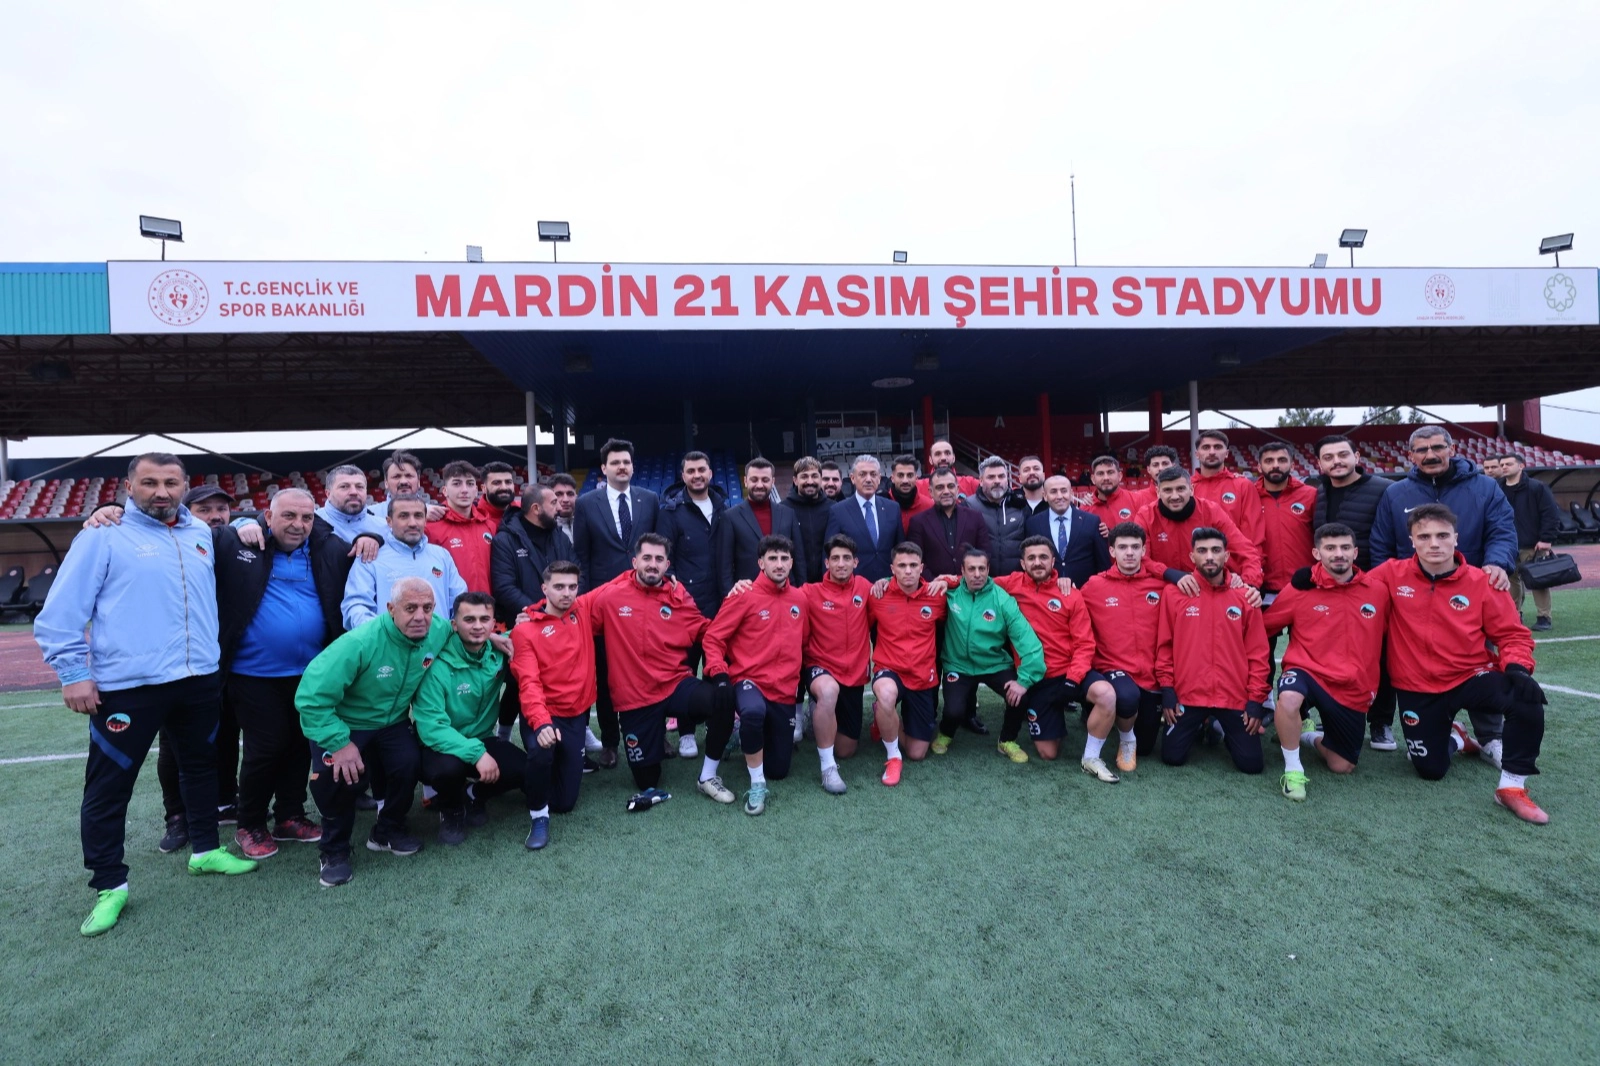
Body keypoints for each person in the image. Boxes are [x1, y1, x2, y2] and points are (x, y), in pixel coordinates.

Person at [36, 453, 260, 936]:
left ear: (185, 487)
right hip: (128, 687)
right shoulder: (102, 534)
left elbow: (245, 529)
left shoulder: (200, 533)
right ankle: (110, 884)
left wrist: (244, 520)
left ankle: (205, 851)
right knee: (109, 784)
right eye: (150, 482)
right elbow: (60, 612)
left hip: (198, 678)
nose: (162, 491)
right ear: (128, 486)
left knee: (201, 768)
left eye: (171, 482)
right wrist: (74, 673)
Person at [1367, 504, 1548, 823]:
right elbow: (1350, 593)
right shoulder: (1390, 574)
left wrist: (1518, 668)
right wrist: (1306, 581)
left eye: (1441, 535)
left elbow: (1512, 634)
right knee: (1430, 771)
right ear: (1412, 540)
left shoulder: (1483, 581)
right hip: (1416, 685)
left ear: (1456, 538)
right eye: (1424, 536)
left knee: (1526, 697)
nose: (1433, 543)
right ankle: (1456, 737)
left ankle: (1511, 788)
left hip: (1470, 676)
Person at [214, 488, 353, 859]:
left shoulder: (325, 550)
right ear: (268, 516)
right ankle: (250, 822)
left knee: (299, 745)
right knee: (266, 746)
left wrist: (369, 537)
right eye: (289, 516)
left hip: (310, 672)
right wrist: (241, 524)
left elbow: (365, 539)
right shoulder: (244, 544)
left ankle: (289, 815)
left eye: (307, 518)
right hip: (252, 672)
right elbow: (210, 531)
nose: (298, 525)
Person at [296, 577, 448, 886]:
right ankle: (334, 850)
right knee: (337, 778)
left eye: (427, 608)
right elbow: (311, 698)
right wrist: (340, 743)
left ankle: (386, 830)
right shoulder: (360, 642)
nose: (420, 616)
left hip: (391, 722)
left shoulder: (438, 630)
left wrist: (500, 639)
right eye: (410, 608)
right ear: (391, 609)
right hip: (345, 722)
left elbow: (465, 633)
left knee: (408, 765)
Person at [588, 533, 738, 806]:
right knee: (647, 781)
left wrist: (739, 615)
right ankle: (653, 735)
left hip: (674, 684)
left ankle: (707, 776)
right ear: (635, 561)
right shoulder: (610, 596)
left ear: (667, 565)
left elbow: (706, 631)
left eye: (659, 559)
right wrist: (533, 614)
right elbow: (573, 612)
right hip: (636, 698)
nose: (652, 565)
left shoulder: (678, 596)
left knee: (723, 699)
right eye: (647, 558)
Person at [1261, 523, 1388, 801]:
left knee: (1341, 766)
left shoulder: (1378, 591)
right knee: (1290, 698)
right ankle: (1293, 770)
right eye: (1330, 548)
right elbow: (1263, 627)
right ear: (1316, 553)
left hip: (1352, 686)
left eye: (1344, 548)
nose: (1338, 554)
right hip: (1306, 671)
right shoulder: (1299, 590)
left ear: (1355, 552)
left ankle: (1306, 735)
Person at [413, 592, 550, 847]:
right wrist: (476, 754)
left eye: (484, 619)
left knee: (525, 769)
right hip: (439, 745)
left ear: (493, 623)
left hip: (481, 739)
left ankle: (473, 794)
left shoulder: (498, 650)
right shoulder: (435, 665)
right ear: (454, 625)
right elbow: (432, 727)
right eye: (469, 619)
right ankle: (451, 811)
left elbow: (535, 632)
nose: (477, 626)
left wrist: (531, 618)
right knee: (448, 769)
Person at [703, 535, 808, 816]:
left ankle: (742, 737)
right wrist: (719, 672)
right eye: (772, 558)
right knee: (752, 712)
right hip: (749, 681)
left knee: (779, 770)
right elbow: (713, 638)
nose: (779, 564)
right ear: (760, 563)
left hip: (784, 689)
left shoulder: (799, 599)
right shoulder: (743, 594)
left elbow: (805, 641)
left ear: (791, 563)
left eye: (784, 558)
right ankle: (757, 783)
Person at [572, 439, 660, 768]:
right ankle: (610, 741)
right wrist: (585, 599)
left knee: (649, 670)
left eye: (626, 462)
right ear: (604, 468)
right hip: (605, 603)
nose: (622, 467)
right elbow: (581, 553)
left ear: (633, 466)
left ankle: (655, 733)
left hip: (645, 601)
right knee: (607, 673)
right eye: (615, 462)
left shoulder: (649, 500)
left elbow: (659, 549)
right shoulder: (587, 503)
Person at [1155, 527, 1271, 774]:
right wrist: (1168, 689)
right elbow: (1165, 646)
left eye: (1216, 550)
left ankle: (1221, 728)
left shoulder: (1244, 597)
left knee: (1252, 766)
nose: (1209, 556)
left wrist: (1255, 701)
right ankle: (1200, 724)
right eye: (1202, 551)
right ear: (1192, 557)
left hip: (1232, 696)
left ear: (1226, 556)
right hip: (1189, 695)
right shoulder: (1174, 594)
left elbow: (1258, 654)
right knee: (1172, 757)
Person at [1310, 433, 1399, 750]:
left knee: (1380, 654)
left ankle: (1380, 722)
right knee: (1329, 651)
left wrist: (1379, 582)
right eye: (1329, 457)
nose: (1337, 461)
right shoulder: (1318, 492)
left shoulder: (1385, 490)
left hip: (1371, 586)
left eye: (1342, 455)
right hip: (1328, 588)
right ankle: (1331, 713)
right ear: (1319, 463)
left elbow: (1391, 541)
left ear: (1357, 456)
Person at [993, 537, 1105, 776]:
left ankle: (1093, 754)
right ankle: (1052, 721)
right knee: (1048, 753)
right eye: (1031, 558)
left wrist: (1072, 679)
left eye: (1043, 557)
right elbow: (976, 581)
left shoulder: (1070, 593)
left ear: (1053, 561)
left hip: (1068, 673)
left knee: (1106, 695)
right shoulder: (1011, 584)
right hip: (1037, 679)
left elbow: (1085, 644)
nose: (1037, 562)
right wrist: (946, 581)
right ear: (1022, 563)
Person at [1081, 522, 1181, 770]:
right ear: (1112, 551)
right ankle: (1126, 739)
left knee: (1147, 748)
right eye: (1122, 547)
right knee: (1126, 697)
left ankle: (1129, 728)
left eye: (1135, 547)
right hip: (1113, 668)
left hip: (1151, 674)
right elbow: (1070, 610)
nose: (1129, 553)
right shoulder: (1094, 586)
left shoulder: (1161, 587)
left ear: (1144, 551)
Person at [929, 548, 1045, 756]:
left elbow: (1027, 640)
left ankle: (1007, 740)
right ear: (962, 571)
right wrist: (884, 582)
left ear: (988, 569)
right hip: (958, 665)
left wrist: (1024, 680)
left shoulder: (1002, 599)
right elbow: (912, 587)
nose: (977, 574)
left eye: (982, 568)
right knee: (953, 711)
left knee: (1020, 697)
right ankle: (946, 733)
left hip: (994, 664)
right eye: (971, 569)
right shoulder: (949, 592)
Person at [1369, 426, 1517, 587]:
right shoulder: (1394, 494)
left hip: (1472, 585)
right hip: (1411, 591)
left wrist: (1497, 562)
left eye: (1438, 448)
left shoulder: (1486, 488)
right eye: (1422, 450)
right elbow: (1381, 544)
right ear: (1411, 456)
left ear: (1451, 449)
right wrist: (1386, 582)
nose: (1430, 455)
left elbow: (1502, 532)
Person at [511, 560, 600, 819]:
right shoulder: (525, 629)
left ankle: (543, 771)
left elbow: (615, 585)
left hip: (575, 718)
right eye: (559, 586)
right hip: (545, 714)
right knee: (541, 751)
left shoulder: (581, 609)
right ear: (544, 588)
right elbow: (528, 683)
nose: (567, 593)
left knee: (564, 802)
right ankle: (519, 774)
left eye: (572, 586)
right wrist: (541, 723)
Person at [800, 535, 876, 793]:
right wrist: (743, 585)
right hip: (820, 667)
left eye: (846, 558)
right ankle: (827, 768)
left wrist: (947, 580)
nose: (841, 563)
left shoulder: (866, 588)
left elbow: (897, 587)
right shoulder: (811, 593)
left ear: (856, 562)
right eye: (835, 558)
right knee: (829, 692)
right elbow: (776, 593)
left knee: (846, 750)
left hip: (854, 675)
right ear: (826, 563)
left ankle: (816, 717)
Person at [867, 542, 948, 770]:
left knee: (917, 753)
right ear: (892, 568)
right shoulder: (877, 595)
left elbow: (970, 583)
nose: (908, 571)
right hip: (889, 669)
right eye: (902, 565)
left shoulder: (937, 596)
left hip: (922, 677)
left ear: (922, 567)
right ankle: (893, 756)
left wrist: (948, 580)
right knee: (886, 693)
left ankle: (883, 717)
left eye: (913, 565)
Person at [341, 492, 467, 630]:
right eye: (403, 516)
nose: (412, 523)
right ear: (389, 521)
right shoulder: (371, 557)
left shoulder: (442, 555)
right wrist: (383, 636)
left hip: (438, 647)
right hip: (390, 648)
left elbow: (460, 602)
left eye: (418, 516)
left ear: (425, 520)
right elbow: (355, 607)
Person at [1135, 467, 1263, 587]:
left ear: (1191, 489)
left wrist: (1250, 584)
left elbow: (1246, 551)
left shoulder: (1210, 511)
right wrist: (1169, 573)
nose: (1174, 496)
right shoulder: (1146, 516)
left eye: (1180, 489)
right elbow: (1139, 558)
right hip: (1163, 588)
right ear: (1157, 492)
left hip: (1205, 589)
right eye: (1167, 490)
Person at [717, 457, 808, 595]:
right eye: (754, 480)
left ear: (773, 481)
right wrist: (728, 597)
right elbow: (725, 566)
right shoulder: (730, 517)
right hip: (748, 594)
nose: (759, 485)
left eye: (765, 480)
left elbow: (799, 559)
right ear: (745, 481)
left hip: (786, 593)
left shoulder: (788, 514)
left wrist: (802, 592)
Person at [490, 482, 576, 627]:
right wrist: (540, 612)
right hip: (527, 624)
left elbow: (577, 572)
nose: (560, 508)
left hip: (564, 620)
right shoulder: (505, 541)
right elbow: (504, 588)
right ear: (536, 508)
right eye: (554, 503)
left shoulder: (561, 537)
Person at [658, 451, 729, 620]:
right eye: (691, 471)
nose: (697, 475)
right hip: (689, 604)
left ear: (710, 474)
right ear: (683, 476)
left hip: (723, 601)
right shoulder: (670, 513)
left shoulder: (724, 510)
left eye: (701, 470)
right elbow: (665, 558)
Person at [1497, 453, 1560, 631]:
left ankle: (1544, 617)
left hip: (1532, 544)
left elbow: (1550, 514)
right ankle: (1514, 615)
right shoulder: (1497, 488)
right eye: (1502, 464)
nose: (1504, 467)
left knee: (1538, 581)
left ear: (1521, 466)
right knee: (1510, 582)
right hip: (1506, 544)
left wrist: (1546, 539)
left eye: (1508, 464)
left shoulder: (1537, 487)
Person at [424, 460, 501, 596]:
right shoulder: (430, 528)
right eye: (457, 483)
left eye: (470, 483)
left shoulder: (489, 525)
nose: (464, 490)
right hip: (450, 611)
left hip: (487, 609)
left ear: (476, 490)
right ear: (445, 491)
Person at [824, 455, 902, 583]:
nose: (868, 479)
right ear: (853, 478)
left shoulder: (892, 508)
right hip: (853, 587)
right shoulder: (838, 511)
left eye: (873, 474)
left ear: (879, 478)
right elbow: (829, 552)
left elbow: (900, 549)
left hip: (888, 585)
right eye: (862, 474)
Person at [1254, 442, 1316, 598]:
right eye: (1269, 461)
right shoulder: (1249, 496)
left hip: (1306, 584)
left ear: (1292, 465)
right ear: (1259, 467)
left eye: (1282, 460)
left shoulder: (1311, 495)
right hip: (1262, 587)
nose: (1276, 465)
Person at [1024, 474, 1110, 587]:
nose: (1059, 496)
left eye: (1064, 491)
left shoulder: (1092, 521)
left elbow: (1103, 564)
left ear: (1071, 494)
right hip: (1047, 592)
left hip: (1085, 591)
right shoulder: (1033, 523)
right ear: (1045, 496)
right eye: (1053, 492)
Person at [907, 467, 992, 580]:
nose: (946, 491)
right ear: (931, 492)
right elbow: (915, 559)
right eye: (940, 487)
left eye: (950, 486)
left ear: (957, 489)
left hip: (969, 587)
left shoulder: (975, 517)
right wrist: (934, 581)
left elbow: (985, 553)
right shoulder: (918, 522)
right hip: (934, 590)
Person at [1191, 430, 1263, 544]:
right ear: (1197, 454)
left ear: (1227, 453)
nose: (1212, 452)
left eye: (1218, 447)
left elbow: (1253, 534)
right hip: (1194, 560)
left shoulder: (1243, 485)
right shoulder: (1185, 488)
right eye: (1205, 447)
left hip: (1234, 560)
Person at [964, 455, 1027, 575]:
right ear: (981, 481)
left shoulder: (1020, 505)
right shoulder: (968, 506)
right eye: (991, 477)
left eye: (1001, 476)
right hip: (983, 582)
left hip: (1016, 582)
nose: (997, 481)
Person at [316, 464, 389, 545]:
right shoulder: (312, 525)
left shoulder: (385, 528)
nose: (354, 492)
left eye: (359, 486)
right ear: (328, 494)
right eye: (344, 486)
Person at [786, 456, 833, 585]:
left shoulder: (834, 508)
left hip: (828, 584)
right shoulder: (783, 510)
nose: (810, 481)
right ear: (795, 480)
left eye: (814, 476)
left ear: (821, 478)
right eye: (804, 476)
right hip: (794, 585)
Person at [1080, 455, 1145, 536]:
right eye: (1100, 474)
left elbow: (1144, 536)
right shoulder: (1085, 507)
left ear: (1120, 476)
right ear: (1093, 479)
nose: (1106, 478)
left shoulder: (1136, 500)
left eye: (1110, 472)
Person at [885, 454, 934, 531]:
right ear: (892, 478)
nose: (905, 480)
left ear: (916, 478)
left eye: (910, 475)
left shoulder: (929, 506)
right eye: (900, 475)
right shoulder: (881, 506)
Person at [545, 472, 578, 539]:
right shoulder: (543, 529)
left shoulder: (588, 524)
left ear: (576, 496)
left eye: (570, 494)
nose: (565, 500)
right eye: (559, 494)